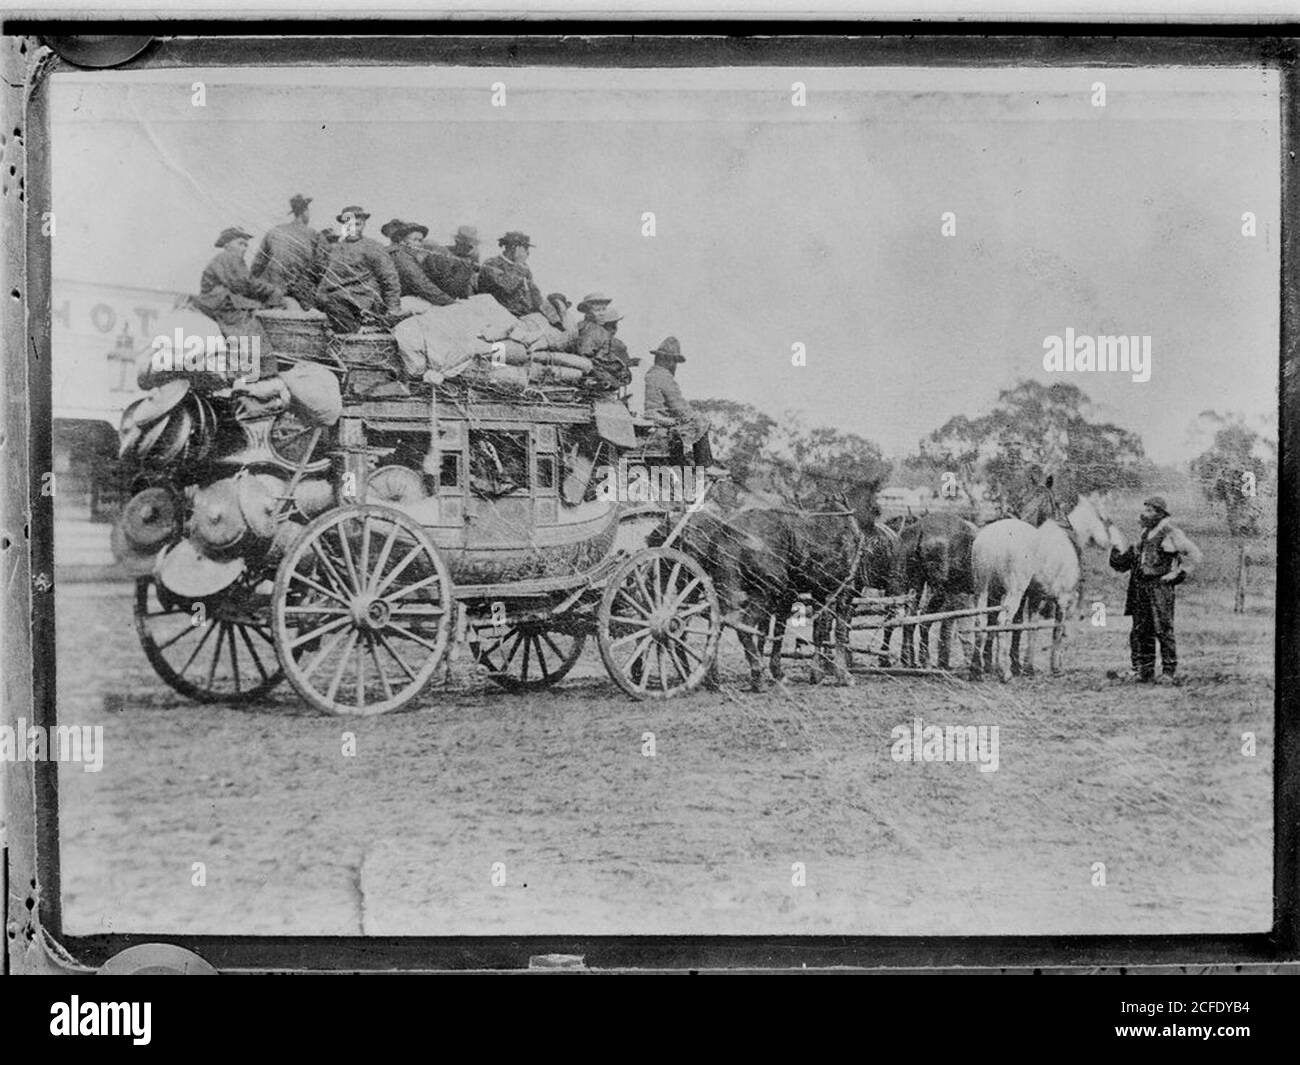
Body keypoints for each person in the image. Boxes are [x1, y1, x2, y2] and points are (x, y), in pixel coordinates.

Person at [1107, 495, 1203, 684]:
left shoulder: (1170, 532)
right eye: (1145, 509)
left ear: (1160, 514)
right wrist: (1117, 551)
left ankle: (1168, 671)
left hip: (1160, 588)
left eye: (1150, 510)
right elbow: (1130, 560)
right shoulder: (1144, 533)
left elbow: (1194, 554)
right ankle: (1145, 671)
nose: (1145, 514)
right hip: (1141, 587)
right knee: (1141, 629)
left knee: (1163, 628)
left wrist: (1178, 574)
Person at [642, 336, 725, 476]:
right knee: (701, 421)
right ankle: (705, 465)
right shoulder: (664, 377)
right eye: (674, 362)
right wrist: (692, 416)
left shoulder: (650, 374)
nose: (675, 366)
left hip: (651, 416)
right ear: (668, 360)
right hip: (660, 418)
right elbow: (678, 407)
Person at [193, 226, 285, 352]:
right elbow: (244, 283)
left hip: (220, 301)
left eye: (246, 245)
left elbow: (243, 284)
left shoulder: (225, 258)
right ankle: (261, 367)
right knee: (253, 332)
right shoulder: (229, 257)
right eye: (240, 243)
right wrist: (271, 290)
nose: (244, 248)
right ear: (227, 244)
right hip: (222, 303)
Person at [314, 205, 403, 333]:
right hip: (339, 301)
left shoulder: (373, 247)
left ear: (364, 225)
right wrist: (318, 298)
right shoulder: (336, 249)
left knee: (332, 303)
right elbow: (328, 279)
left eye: (357, 224)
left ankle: (360, 331)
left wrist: (393, 309)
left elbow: (390, 279)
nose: (353, 228)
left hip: (363, 301)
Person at [251, 194, 322, 308]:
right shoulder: (313, 234)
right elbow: (321, 265)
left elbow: (257, 265)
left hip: (274, 289)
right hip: (301, 292)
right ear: (305, 212)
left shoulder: (274, 232)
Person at [478, 231, 546, 319]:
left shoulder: (524, 267)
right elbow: (508, 286)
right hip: (498, 316)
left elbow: (534, 293)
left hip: (523, 316)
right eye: (525, 248)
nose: (528, 253)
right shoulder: (492, 264)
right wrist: (520, 270)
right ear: (514, 247)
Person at [388, 222, 455, 306]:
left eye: (420, 241)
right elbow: (420, 283)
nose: (418, 244)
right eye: (415, 240)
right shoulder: (399, 256)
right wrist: (450, 302)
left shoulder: (404, 255)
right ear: (401, 240)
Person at [575, 303, 632, 390]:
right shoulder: (596, 333)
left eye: (615, 325)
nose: (614, 329)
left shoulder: (581, 327)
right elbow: (585, 355)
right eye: (611, 326)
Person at [421, 224, 480, 299]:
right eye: (467, 245)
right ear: (457, 242)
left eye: (472, 246)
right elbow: (446, 285)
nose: (470, 249)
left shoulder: (471, 256)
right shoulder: (442, 254)